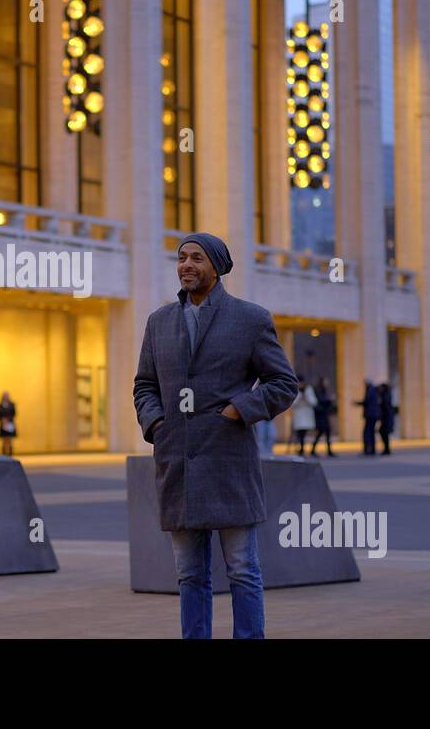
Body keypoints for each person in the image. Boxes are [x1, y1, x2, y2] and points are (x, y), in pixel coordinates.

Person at [134, 232, 298, 640]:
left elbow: (283, 383)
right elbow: (144, 386)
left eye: (197, 258)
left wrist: (239, 409)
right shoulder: (159, 322)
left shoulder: (251, 319)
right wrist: (156, 423)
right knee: (189, 573)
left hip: (229, 462)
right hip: (178, 464)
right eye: (182, 257)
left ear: (217, 267)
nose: (187, 265)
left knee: (242, 569)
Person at [288, 377, 317, 456]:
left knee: (304, 433)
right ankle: (300, 449)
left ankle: (302, 449)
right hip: (299, 415)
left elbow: (314, 402)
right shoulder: (295, 390)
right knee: (299, 433)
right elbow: (292, 404)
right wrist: (300, 395)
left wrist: (306, 395)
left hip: (307, 415)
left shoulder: (308, 390)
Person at [310, 376, 336, 457]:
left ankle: (328, 451)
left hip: (324, 415)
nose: (327, 383)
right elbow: (321, 401)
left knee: (325, 433)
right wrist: (330, 400)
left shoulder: (323, 391)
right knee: (321, 433)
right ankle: (314, 450)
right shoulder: (318, 390)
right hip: (321, 416)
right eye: (326, 382)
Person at [357, 379, 381, 456]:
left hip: (370, 415)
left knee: (368, 433)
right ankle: (371, 449)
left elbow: (367, 402)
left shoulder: (370, 391)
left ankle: (368, 449)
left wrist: (357, 403)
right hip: (372, 415)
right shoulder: (372, 390)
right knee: (370, 433)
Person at [378, 382, 397, 456]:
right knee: (383, 432)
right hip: (386, 417)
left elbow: (385, 408)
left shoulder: (385, 395)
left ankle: (387, 449)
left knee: (384, 433)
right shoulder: (385, 395)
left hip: (386, 418)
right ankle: (386, 449)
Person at [0, 392, 17, 456]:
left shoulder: (12, 404)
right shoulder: (0, 404)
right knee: (4, 440)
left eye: (7, 396)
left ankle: (10, 454)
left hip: (10, 423)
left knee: (10, 440)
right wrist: (2, 419)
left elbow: (14, 413)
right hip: (3, 423)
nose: (6, 397)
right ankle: (4, 454)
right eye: (5, 396)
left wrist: (8, 419)